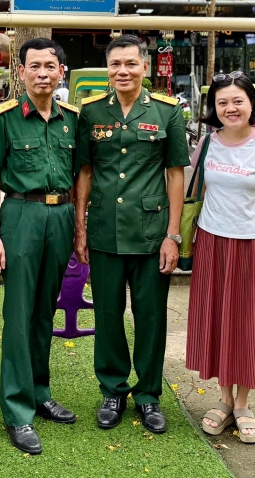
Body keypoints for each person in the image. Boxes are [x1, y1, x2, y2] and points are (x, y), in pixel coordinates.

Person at [73, 35, 189, 434]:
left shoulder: (168, 112)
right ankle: (112, 389)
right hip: (105, 230)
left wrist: (173, 235)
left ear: (145, 67)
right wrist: (81, 226)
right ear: (108, 69)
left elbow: (176, 174)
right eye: (115, 65)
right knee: (107, 315)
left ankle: (149, 395)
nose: (122, 71)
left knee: (151, 316)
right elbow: (85, 172)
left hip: (151, 232)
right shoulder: (90, 113)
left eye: (130, 64)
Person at [0, 38, 80, 456]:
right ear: (21, 72)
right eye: (33, 66)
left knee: (44, 310)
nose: (42, 73)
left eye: (49, 66)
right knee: (19, 313)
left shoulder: (73, 118)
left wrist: (78, 229)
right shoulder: (3, 118)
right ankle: (18, 411)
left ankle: (40, 391)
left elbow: (81, 174)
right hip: (20, 215)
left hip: (61, 217)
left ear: (60, 73)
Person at [188, 72, 255, 445]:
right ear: (213, 108)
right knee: (219, 320)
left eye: (237, 101)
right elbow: (195, 191)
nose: (230, 108)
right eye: (222, 103)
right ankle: (224, 398)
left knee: (249, 324)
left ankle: (244, 404)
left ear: (251, 104)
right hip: (213, 245)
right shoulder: (206, 144)